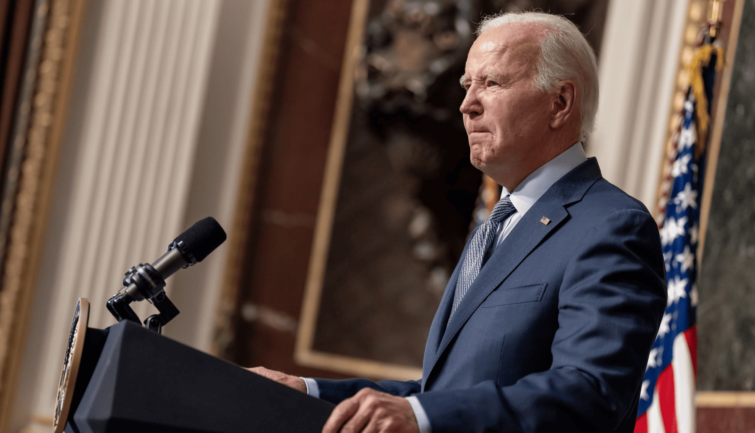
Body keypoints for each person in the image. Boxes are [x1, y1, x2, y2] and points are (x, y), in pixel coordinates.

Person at [250, 11, 666, 433]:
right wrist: (308, 392)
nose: (466, 105)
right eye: (468, 85)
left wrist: (422, 416)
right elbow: (442, 392)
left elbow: (589, 395)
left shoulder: (611, 226)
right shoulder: (496, 225)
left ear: (560, 103)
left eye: (492, 83)